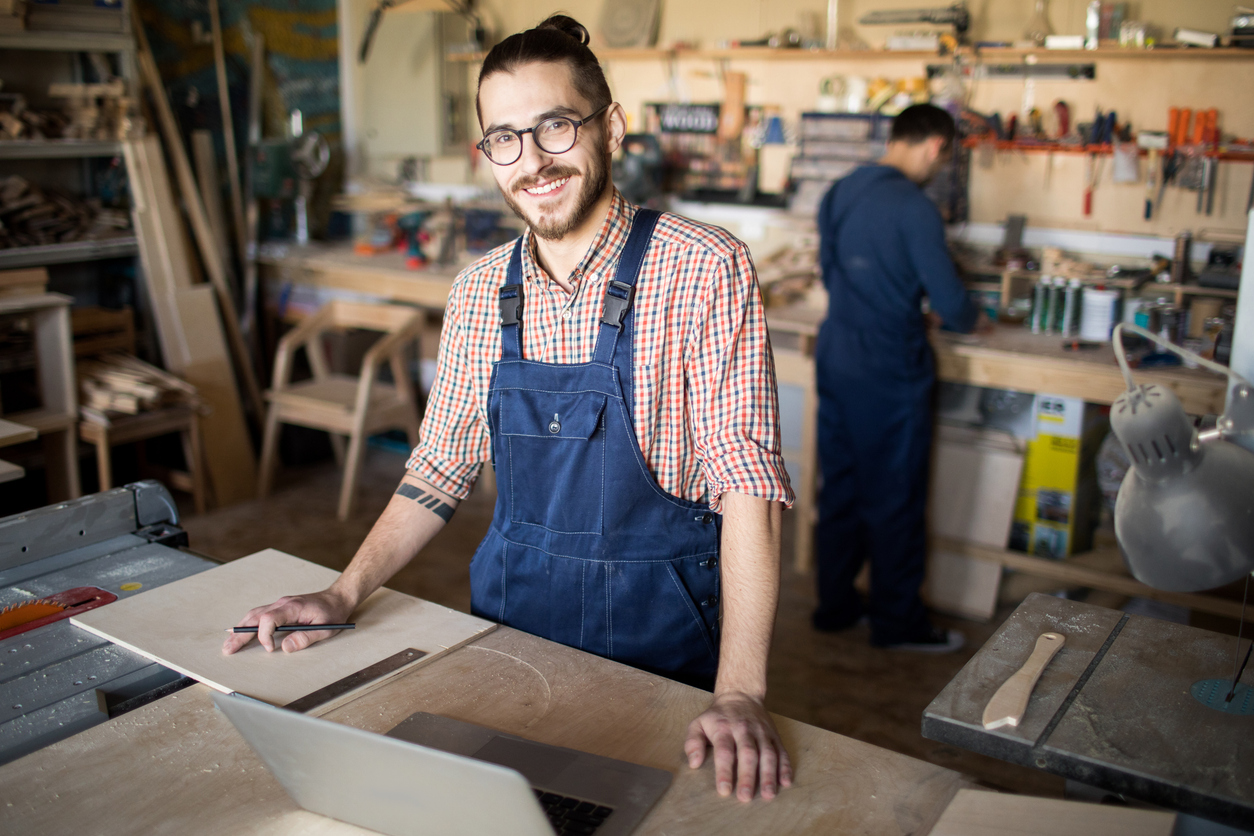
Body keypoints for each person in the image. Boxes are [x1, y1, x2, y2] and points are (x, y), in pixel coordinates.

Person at [223, 15, 795, 802]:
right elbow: (442, 463)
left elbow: (748, 485)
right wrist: (344, 591)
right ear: (487, 153)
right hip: (511, 629)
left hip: (662, 639)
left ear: (611, 127)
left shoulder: (703, 266)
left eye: (555, 126)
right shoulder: (479, 291)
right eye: (506, 139)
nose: (533, 161)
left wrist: (739, 694)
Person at [812, 104, 980, 653]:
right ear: (934, 145)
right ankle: (896, 621)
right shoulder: (915, 207)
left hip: (838, 352)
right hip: (889, 363)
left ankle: (835, 607)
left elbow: (835, 272)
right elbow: (954, 305)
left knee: (839, 488)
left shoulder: (838, 191)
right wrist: (965, 316)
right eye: (945, 155)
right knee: (895, 496)